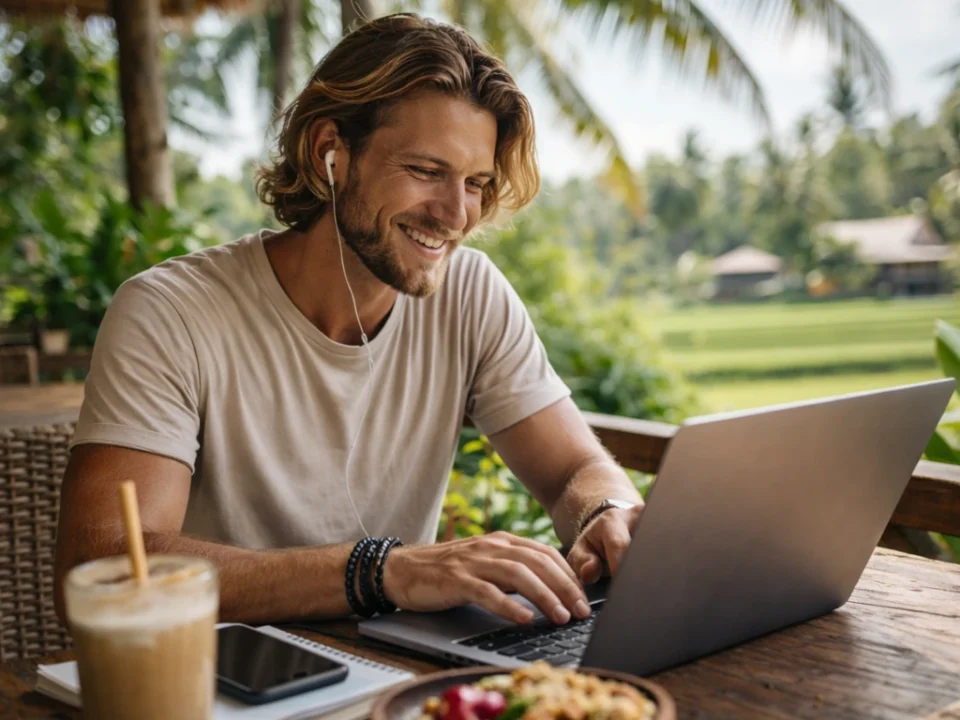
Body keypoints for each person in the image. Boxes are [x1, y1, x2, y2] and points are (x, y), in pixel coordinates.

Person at [53, 13, 643, 628]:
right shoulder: (170, 312)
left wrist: (606, 511)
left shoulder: (471, 294)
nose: (455, 213)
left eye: (475, 182)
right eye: (425, 171)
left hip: (397, 673)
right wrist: (382, 570)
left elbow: (575, 468)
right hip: (222, 680)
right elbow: (102, 567)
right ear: (330, 151)